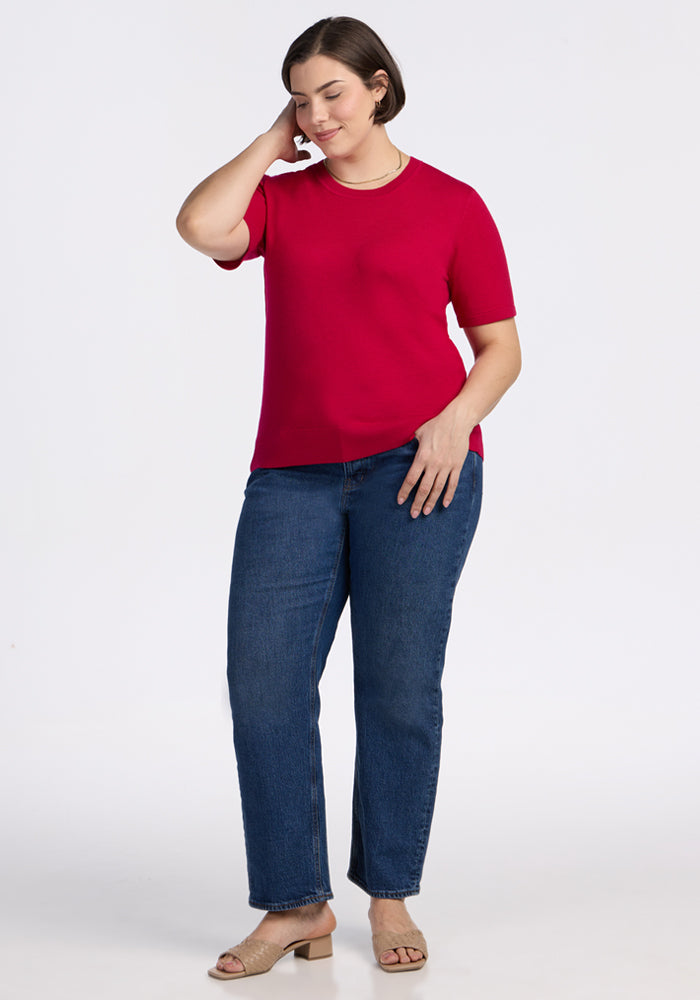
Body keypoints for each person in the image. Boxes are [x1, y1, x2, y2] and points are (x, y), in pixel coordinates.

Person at [176, 15, 521, 980]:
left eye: (332, 92)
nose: (316, 112)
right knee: (265, 685)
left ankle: (390, 893)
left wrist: (453, 422)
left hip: (419, 472)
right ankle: (296, 904)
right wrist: (268, 142)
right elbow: (202, 227)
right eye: (300, 97)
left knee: (399, 690)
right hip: (290, 476)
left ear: (378, 86)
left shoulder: (451, 203)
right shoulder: (282, 203)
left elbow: (502, 348)